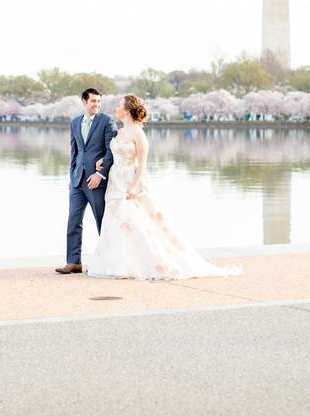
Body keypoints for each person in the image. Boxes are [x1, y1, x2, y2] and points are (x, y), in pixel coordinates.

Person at [85, 94, 243, 280]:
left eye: (119, 105)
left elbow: (142, 164)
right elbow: (115, 156)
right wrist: (102, 162)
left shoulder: (138, 133)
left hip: (131, 179)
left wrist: (134, 186)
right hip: (115, 181)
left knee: (136, 220)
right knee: (116, 222)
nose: (116, 107)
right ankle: (119, 263)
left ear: (127, 110)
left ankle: (150, 262)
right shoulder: (119, 132)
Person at [55, 88, 118, 274]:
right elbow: (74, 153)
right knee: (73, 220)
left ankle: (109, 261)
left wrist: (101, 174)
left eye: (99, 101)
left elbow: (111, 150)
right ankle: (74, 262)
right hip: (77, 181)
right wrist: (71, 177)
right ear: (84, 101)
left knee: (102, 220)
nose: (97, 104)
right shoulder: (74, 122)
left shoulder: (107, 121)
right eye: (93, 101)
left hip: (96, 180)